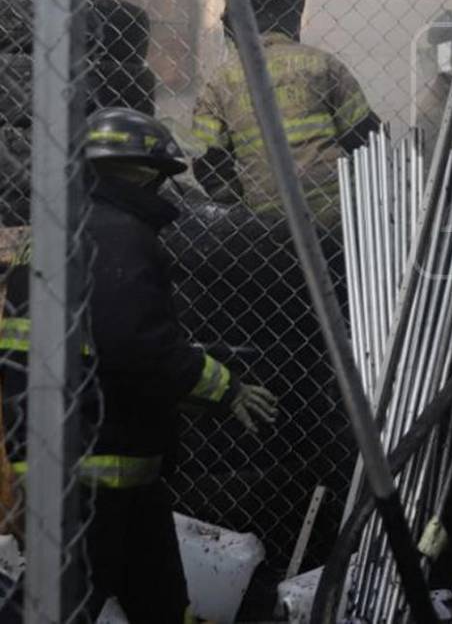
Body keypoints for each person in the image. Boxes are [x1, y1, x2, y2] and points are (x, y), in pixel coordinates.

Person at [0, 107, 278, 622]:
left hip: (72, 456)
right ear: (147, 174)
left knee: (156, 596)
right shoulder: (118, 235)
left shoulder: (63, 229)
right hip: (92, 463)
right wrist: (224, 387)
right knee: (56, 604)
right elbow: (136, 343)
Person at [191, 0, 380, 231]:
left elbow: (207, 160)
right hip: (336, 214)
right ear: (290, 22)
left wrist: (240, 203)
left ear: (235, 30)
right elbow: (366, 136)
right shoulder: (322, 63)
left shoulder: (221, 81)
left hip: (267, 223)